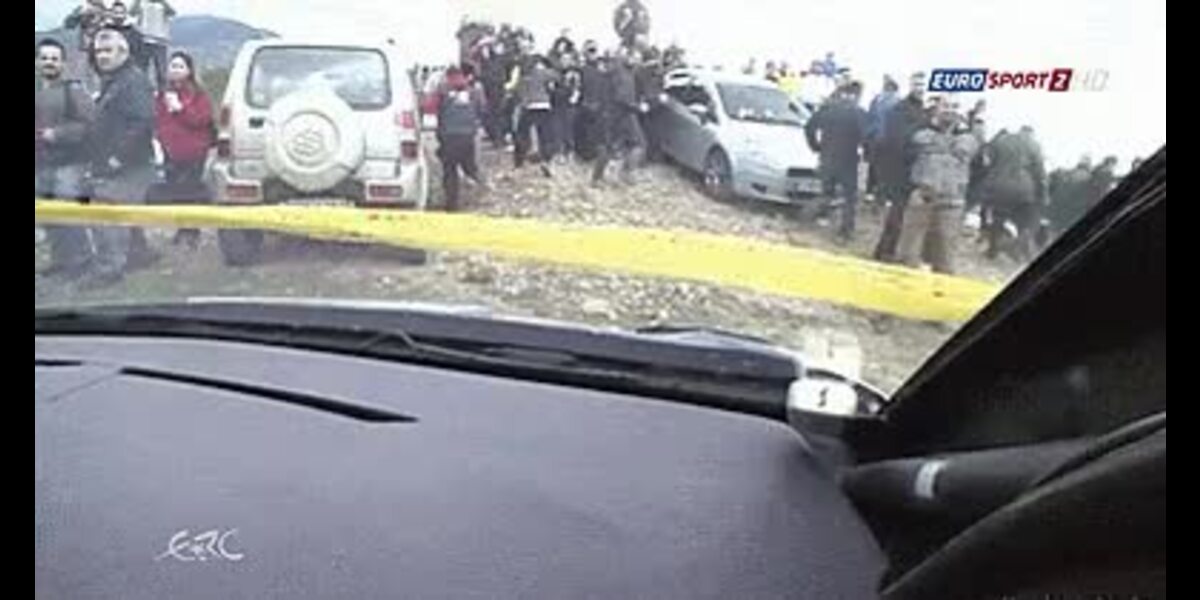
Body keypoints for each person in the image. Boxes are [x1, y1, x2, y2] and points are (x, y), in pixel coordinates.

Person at [81, 27, 158, 289]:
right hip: (119, 161)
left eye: (108, 51)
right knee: (124, 214)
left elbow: (142, 122)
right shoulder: (115, 80)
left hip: (127, 164)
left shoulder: (132, 81)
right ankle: (139, 255)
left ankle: (108, 270)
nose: (102, 56)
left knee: (106, 216)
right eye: (98, 51)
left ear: (123, 52)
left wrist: (118, 157)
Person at [893, 102, 982, 274]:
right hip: (922, 195)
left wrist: (969, 196)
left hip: (952, 200)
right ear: (936, 112)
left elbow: (980, 170)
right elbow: (904, 157)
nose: (949, 111)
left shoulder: (970, 140)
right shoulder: (920, 134)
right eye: (946, 107)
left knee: (945, 255)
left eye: (954, 108)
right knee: (908, 249)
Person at [35, 39, 96, 280]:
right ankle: (60, 260)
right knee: (49, 215)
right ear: (37, 61)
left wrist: (58, 134)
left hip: (69, 164)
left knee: (69, 215)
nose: (49, 62)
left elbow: (89, 125)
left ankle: (81, 262)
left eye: (54, 58)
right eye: (44, 58)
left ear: (62, 63)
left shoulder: (74, 91)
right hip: (41, 164)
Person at [154, 51, 214, 248]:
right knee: (176, 191)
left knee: (190, 191)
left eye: (180, 66)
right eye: (173, 66)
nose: (176, 70)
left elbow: (201, 120)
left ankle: (192, 231)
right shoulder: (162, 95)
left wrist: (181, 109)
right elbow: (159, 120)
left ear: (189, 70)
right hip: (171, 152)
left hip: (194, 152)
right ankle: (182, 228)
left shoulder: (199, 94)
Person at [873, 72, 930, 261]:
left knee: (908, 216)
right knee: (897, 213)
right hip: (900, 169)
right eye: (917, 84)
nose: (920, 89)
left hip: (917, 170)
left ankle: (895, 251)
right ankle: (885, 251)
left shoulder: (925, 111)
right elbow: (896, 141)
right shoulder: (899, 110)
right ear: (911, 86)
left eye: (923, 85)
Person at [805, 81, 869, 241]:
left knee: (826, 191)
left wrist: (816, 146)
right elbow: (867, 137)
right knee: (849, 197)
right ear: (857, 95)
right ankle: (845, 231)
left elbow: (809, 127)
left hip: (827, 155)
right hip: (848, 159)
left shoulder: (828, 109)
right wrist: (865, 153)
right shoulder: (859, 113)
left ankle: (819, 218)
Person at [976, 126, 1047, 262]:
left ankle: (992, 250)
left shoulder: (1002, 140)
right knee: (1025, 220)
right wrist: (1043, 194)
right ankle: (1019, 246)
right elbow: (1040, 173)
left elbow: (988, 161)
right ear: (1031, 134)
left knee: (998, 218)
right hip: (1023, 188)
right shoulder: (1034, 145)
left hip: (999, 185)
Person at [424, 65, 487, 212]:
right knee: (470, 166)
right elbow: (482, 109)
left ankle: (452, 204)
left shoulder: (442, 90)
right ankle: (479, 191)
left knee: (450, 170)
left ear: (447, 76)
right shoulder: (473, 91)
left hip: (448, 135)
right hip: (468, 135)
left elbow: (429, 108)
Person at [592, 46, 645, 187]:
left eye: (639, 59)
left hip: (616, 114)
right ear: (628, 57)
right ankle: (623, 174)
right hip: (619, 114)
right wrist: (638, 107)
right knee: (636, 144)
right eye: (635, 58)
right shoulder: (621, 73)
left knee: (614, 146)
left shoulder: (624, 72)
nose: (637, 62)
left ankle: (608, 176)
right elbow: (621, 98)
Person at [509, 53, 559, 175]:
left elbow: (516, 89)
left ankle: (519, 163)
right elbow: (557, 76)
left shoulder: (524, 75)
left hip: (528, 106)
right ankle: (546, 161)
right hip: (544, 106)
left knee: (522, 135)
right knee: (545, 136)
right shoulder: (543, 73)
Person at [865, 76, 900, 196]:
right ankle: (884, 194)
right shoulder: (898, 102)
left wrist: (868, 137)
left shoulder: (876, 101)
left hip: (876, 138)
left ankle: (870, 191)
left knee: (873, 166)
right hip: (890, 139)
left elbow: (870, 120)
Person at [130, 0, 175, 91]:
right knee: (142, 69)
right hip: (144, 40)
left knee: (161, 71)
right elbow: (132, 13)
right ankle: (141, 91)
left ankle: (163, 92)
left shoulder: (162, 4)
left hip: (160, 41)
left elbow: (172, 13)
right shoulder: (142, 3)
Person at [577, 40, 608, 161]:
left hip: (602, 105)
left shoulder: (603, 68)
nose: (592, 53)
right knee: (586, 133)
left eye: (594, 50)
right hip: (586, 105)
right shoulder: (581, 69)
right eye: (589, 51)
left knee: (601, 134)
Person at [550, 51, 583, 164]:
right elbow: (552, 87)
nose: (564, 62)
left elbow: (578, 88)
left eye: (567, 59)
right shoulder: (556, 73)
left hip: (569, 105)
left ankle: (570, 153)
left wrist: (573, 99)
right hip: (557, 104)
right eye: (563, 59)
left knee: (569, 130)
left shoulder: (574, 74)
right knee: (557, 130)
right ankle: (560, 153)